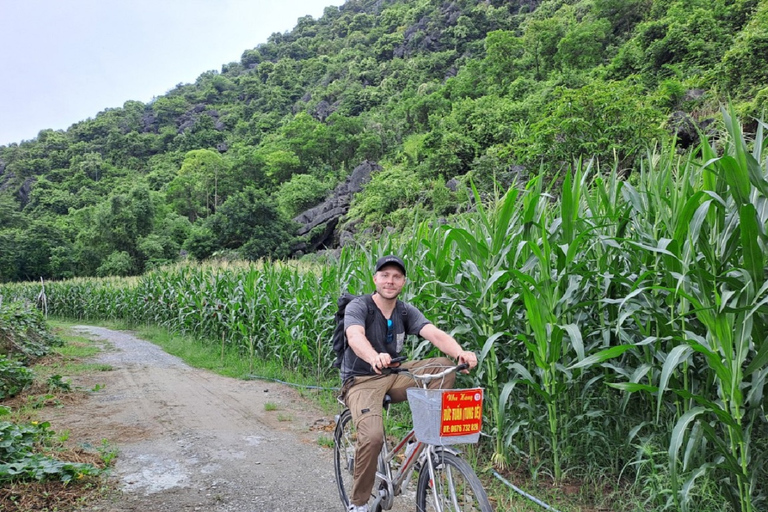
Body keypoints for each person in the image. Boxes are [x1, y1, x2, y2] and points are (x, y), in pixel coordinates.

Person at [340, 255, 478, 512]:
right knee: (372, 437)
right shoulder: (359, 307)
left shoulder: (404, 311)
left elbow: (433, 333)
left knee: (443, 366)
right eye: (385, 275)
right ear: (375, 279)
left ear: (403, 282)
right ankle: (358, 504)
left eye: (396, 277)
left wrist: (460, 353)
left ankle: (421, 439)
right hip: (362, 380)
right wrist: (373, 357)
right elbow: (354, 335)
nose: (390, 281)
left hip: (395, 373)